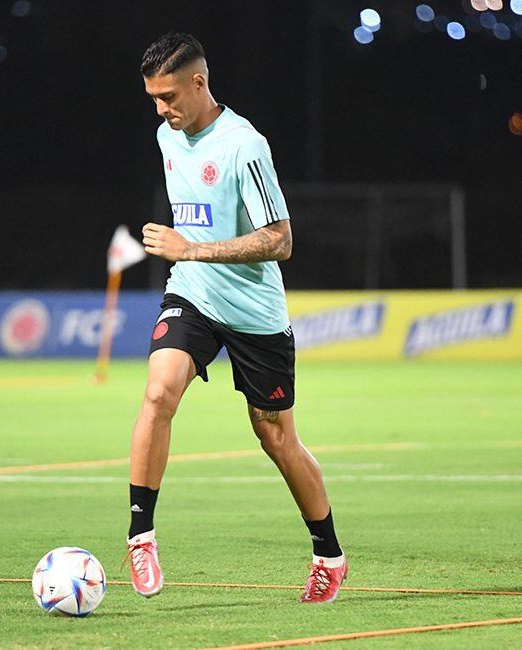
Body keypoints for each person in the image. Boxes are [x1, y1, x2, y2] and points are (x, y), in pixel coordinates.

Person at [124, 32, 347, 605]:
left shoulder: (244, 145)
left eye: (169, 96)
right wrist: (187, 260)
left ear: (199, 82)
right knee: (157, 394)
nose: (161, 110)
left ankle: (328, 553)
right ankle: (140, 535)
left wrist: (190, 248)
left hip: (253, 312)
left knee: (276, 437)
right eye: (153, 98)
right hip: (193, 295)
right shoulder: (165, 136)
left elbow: (280, 239)